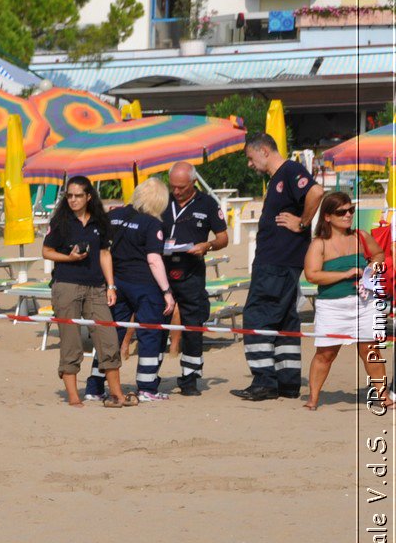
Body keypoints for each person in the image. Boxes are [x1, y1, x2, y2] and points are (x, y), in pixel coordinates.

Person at [235, 132, 324, 401]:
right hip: (283, 260)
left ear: (264, 150)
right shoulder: (279, 177)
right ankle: (287, 382)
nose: (250, 165)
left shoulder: (289, 170)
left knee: (257, 316)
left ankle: (264, 381)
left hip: (276, 261)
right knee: (285, 319)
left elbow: (316, 191)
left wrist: (303, 222)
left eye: (251, 158)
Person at [42, 176, 127, 408]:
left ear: (89, 196)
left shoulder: (100, 222)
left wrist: (111, 286)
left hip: (97, 286)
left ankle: (117, 394)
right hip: (66, 285)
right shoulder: (61, 221)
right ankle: (73, 397)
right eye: (69, 195)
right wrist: (68, 258)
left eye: (78, 195)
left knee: (108, 338)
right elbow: (46, 251)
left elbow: (105, 254)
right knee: (71, 341)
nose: (73, 200)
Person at [303, 192, 390, 410]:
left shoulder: (361, 236)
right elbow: (312, 275)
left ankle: (383, 396)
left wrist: (372, 268)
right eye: (342, 212)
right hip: (332, 305)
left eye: (351, 210)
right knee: (326, 353)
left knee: (370, 350)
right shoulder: (319, 244)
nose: (348, 215)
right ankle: (313, 399)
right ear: (328, 217)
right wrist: (345, 274)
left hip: (364, 302)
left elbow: (379, 254)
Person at [103, 179, 175, 403]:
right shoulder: (152, 223)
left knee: (110, 335)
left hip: (116, 282)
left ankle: (95, 385)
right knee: (149, 334)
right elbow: (154, 260)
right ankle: (147, 387)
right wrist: (167, 291)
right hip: (144, 285)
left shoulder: (113, 215)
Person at [161, 162, 230, 396]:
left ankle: (190, 379)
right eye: (173, 187)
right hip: (162, 271)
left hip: (191, 271)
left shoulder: (207, 203)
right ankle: (150, 376)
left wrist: (207, 245)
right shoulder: (162, 199)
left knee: (193, 325)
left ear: (193, 183)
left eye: (181, 187)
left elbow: (223, 238)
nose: (177, 191)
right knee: (156, 322)